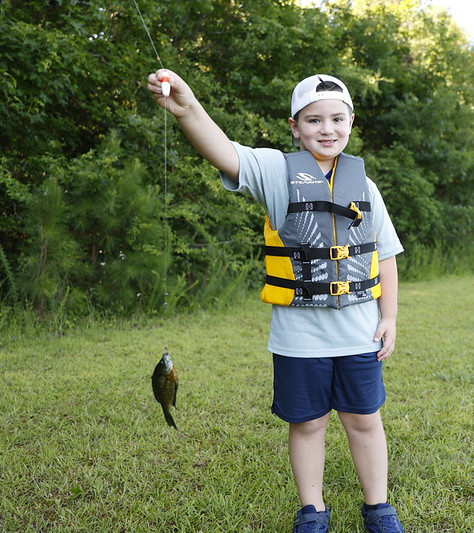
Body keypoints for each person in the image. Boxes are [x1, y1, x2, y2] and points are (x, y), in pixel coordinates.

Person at [147, 70, 406, 533]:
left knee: (365, 420)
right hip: (299, 339)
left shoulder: (366, 186)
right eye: (314, 120)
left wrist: (389, 316)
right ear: (294, 126)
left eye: (337, 119)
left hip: (360, 333)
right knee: (308, 425)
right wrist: (186, 108)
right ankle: (313, 510)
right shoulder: (275, 171)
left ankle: (379, 507)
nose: (327, 129)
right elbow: (225, 152)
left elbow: (384, 255)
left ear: (351, 122)